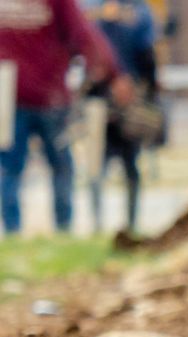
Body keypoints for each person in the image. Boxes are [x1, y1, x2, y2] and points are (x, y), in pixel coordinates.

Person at [0, 0, 131, 235]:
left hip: (37, 98)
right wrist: (114, 74)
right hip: (30, 97)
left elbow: (83, 35)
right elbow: (84, 35)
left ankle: (33, 230)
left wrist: (111, 72)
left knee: (15, 168)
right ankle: (47, 230)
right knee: (50, 166)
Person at [87, 0, 160, 234]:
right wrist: (149, 94)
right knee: (128, 164)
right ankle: (129, 224)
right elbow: (148, 57)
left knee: (98, 164)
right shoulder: (140, 11)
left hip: (99, 97)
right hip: (127, 98)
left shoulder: (90, 7)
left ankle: (100, 224)